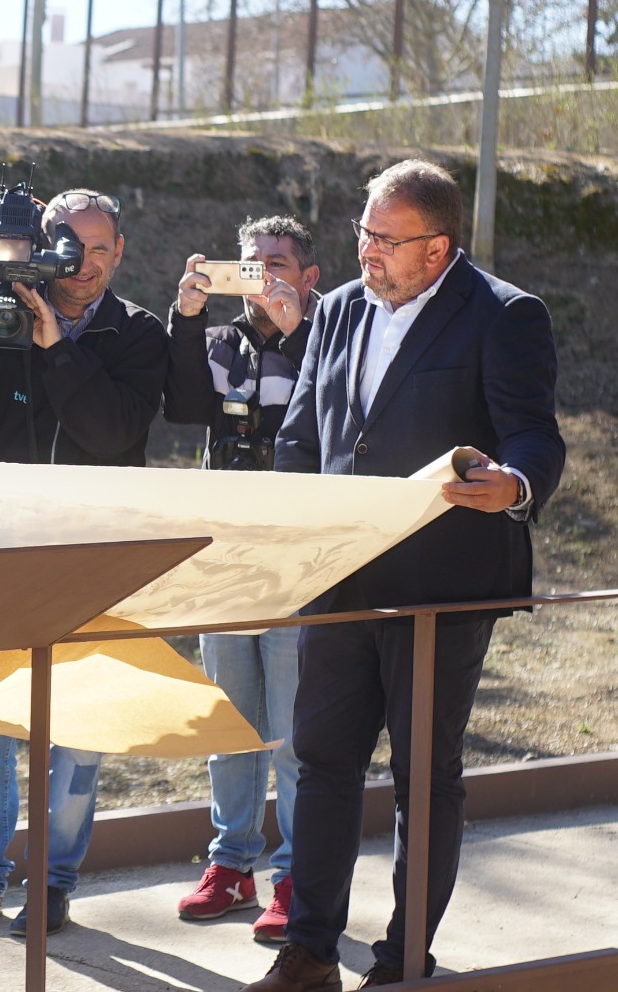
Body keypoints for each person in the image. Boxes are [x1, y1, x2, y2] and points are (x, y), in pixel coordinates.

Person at [244, 159, 564, 992]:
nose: (366, 252)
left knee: (424, 777)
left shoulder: (503, 315)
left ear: (439, 247)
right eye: (362, 232)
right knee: (322, 764)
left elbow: (534, 436)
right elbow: (305, 435)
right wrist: (288, 529)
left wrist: (514, 485)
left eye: (386, 239)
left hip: (441, 589)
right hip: (340, 581)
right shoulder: (341, 309)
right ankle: (309, 950)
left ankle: (403, 958)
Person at [0, 188, 170, 938]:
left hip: (97, 558)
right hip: (1, 556)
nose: (83, 265)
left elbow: (114, 429)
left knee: (79, 736)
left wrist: (57, 347)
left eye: (99, 249)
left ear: (120, 251)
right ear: (39, 246)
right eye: (70, 247)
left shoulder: (137, 334)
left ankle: (53, 883)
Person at [162, 216, 320, 942]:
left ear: (309, 276)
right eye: (252, 264)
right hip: (224, 561)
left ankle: (297, 874)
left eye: (279, 264)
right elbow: (186, 406)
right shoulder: (222, 345)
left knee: (291, 733)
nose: (264, 277)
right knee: (230, 725)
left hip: (296, 561)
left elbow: (329, 420)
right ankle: (231, 865)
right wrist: (188, 317)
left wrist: (294, 336)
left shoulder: (329, 340)